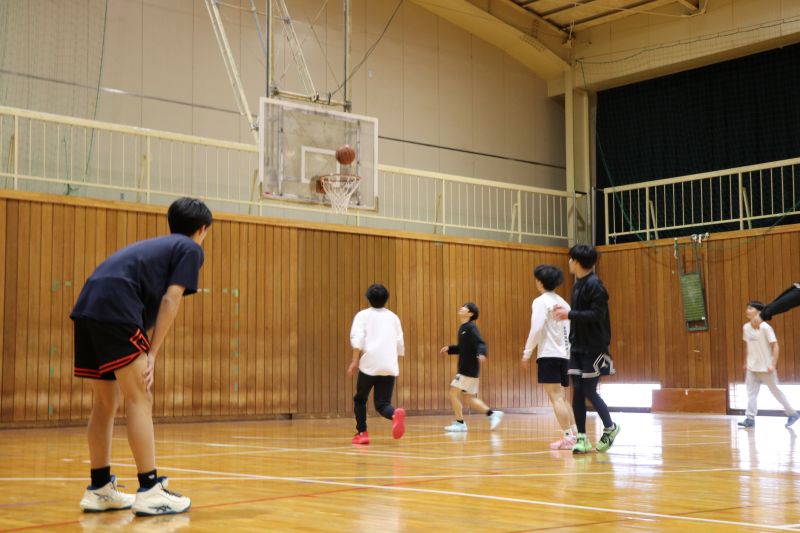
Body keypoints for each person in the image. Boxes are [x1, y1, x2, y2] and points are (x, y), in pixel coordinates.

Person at [72, 197, 211, 515]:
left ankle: (100, 488)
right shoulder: (190, 248)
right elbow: (171, 300)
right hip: (117, 308)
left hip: (88, 305)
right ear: (202, 229)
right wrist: (153, 352)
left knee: (105, 403)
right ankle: (150, 489)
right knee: (139, 397)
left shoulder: (156, 247)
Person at [553, 244, 620, 454]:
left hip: (594, 346)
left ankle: (610, 427)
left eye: (571, 259)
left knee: (589, 389)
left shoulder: (595, 285)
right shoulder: (577, 285)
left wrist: (569, 314)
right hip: (578, 346)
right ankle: (581, 437)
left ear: (577, 261)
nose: (569, 262)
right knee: (578, 391)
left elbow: (597, 315)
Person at [521, 265, 578, 450]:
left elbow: (536, 328)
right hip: (565, 355)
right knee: (562, 397)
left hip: (549, 354)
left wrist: (527, 353)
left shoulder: (540, 302)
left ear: (540, 281)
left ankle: (569, 437)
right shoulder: (563, 302)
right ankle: (576, 435)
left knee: (556, 398)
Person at [347, 284, 406, 445]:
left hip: (369, 364)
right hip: (389, 364)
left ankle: (362, 433)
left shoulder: (362, 315)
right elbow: (400, 342)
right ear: (386, 299)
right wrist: (396, 357)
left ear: (368, 298)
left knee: (360, 399)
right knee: (382, 404)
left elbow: (357, 338)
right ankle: (394, 414)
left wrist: (354, 360)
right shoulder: (393, 317)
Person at [440, 302, 503, 432]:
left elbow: (481, 343)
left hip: (467, 370)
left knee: (452, 393)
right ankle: (492, 414)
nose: (461, 307)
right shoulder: (463, 328)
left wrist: (481, 353)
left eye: (464, 307)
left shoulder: (470, 328)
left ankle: (460, 423)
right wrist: (450, 348)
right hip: (470, 370)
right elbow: (462, 348)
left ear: (470, 313)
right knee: (469, 399)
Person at [738, 301, 799, 429]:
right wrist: (746, 361)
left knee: (775, 391)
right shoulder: (746, 327)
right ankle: (750, 418)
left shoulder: (765, 327)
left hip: (766, 368)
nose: (747, 310)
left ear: (759, 312)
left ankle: (792, 413)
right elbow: (748, 345)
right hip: (751, 367)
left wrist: (773, 363)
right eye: (747, 308)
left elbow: (775, 345)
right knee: (751, 393)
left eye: (750, 308)